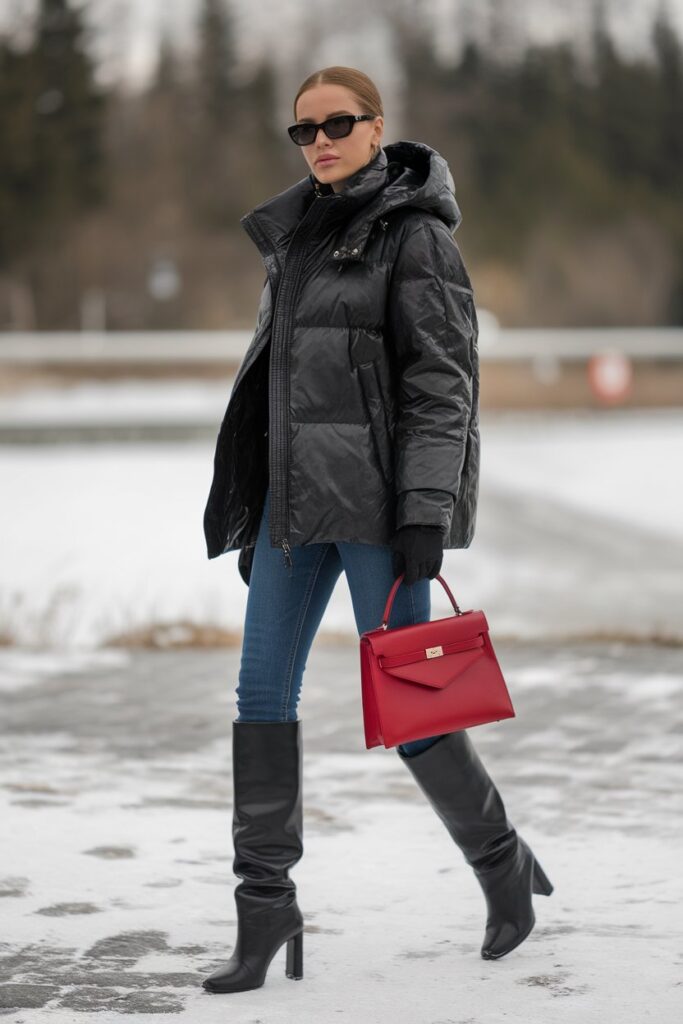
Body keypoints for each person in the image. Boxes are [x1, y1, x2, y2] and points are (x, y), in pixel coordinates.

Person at [201, 66, 553, 995]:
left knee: (413, 709)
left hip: (376, 511)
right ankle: (265, 909)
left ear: (376, 126)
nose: (319, 141)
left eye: (337, 123)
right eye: (303, 130)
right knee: (258, 700)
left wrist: (425, 514)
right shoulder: (298, 238)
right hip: (290, 513)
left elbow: (442, 387)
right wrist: (254, 505)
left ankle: (500, 863)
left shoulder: (415, 239)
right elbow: (275, 390)